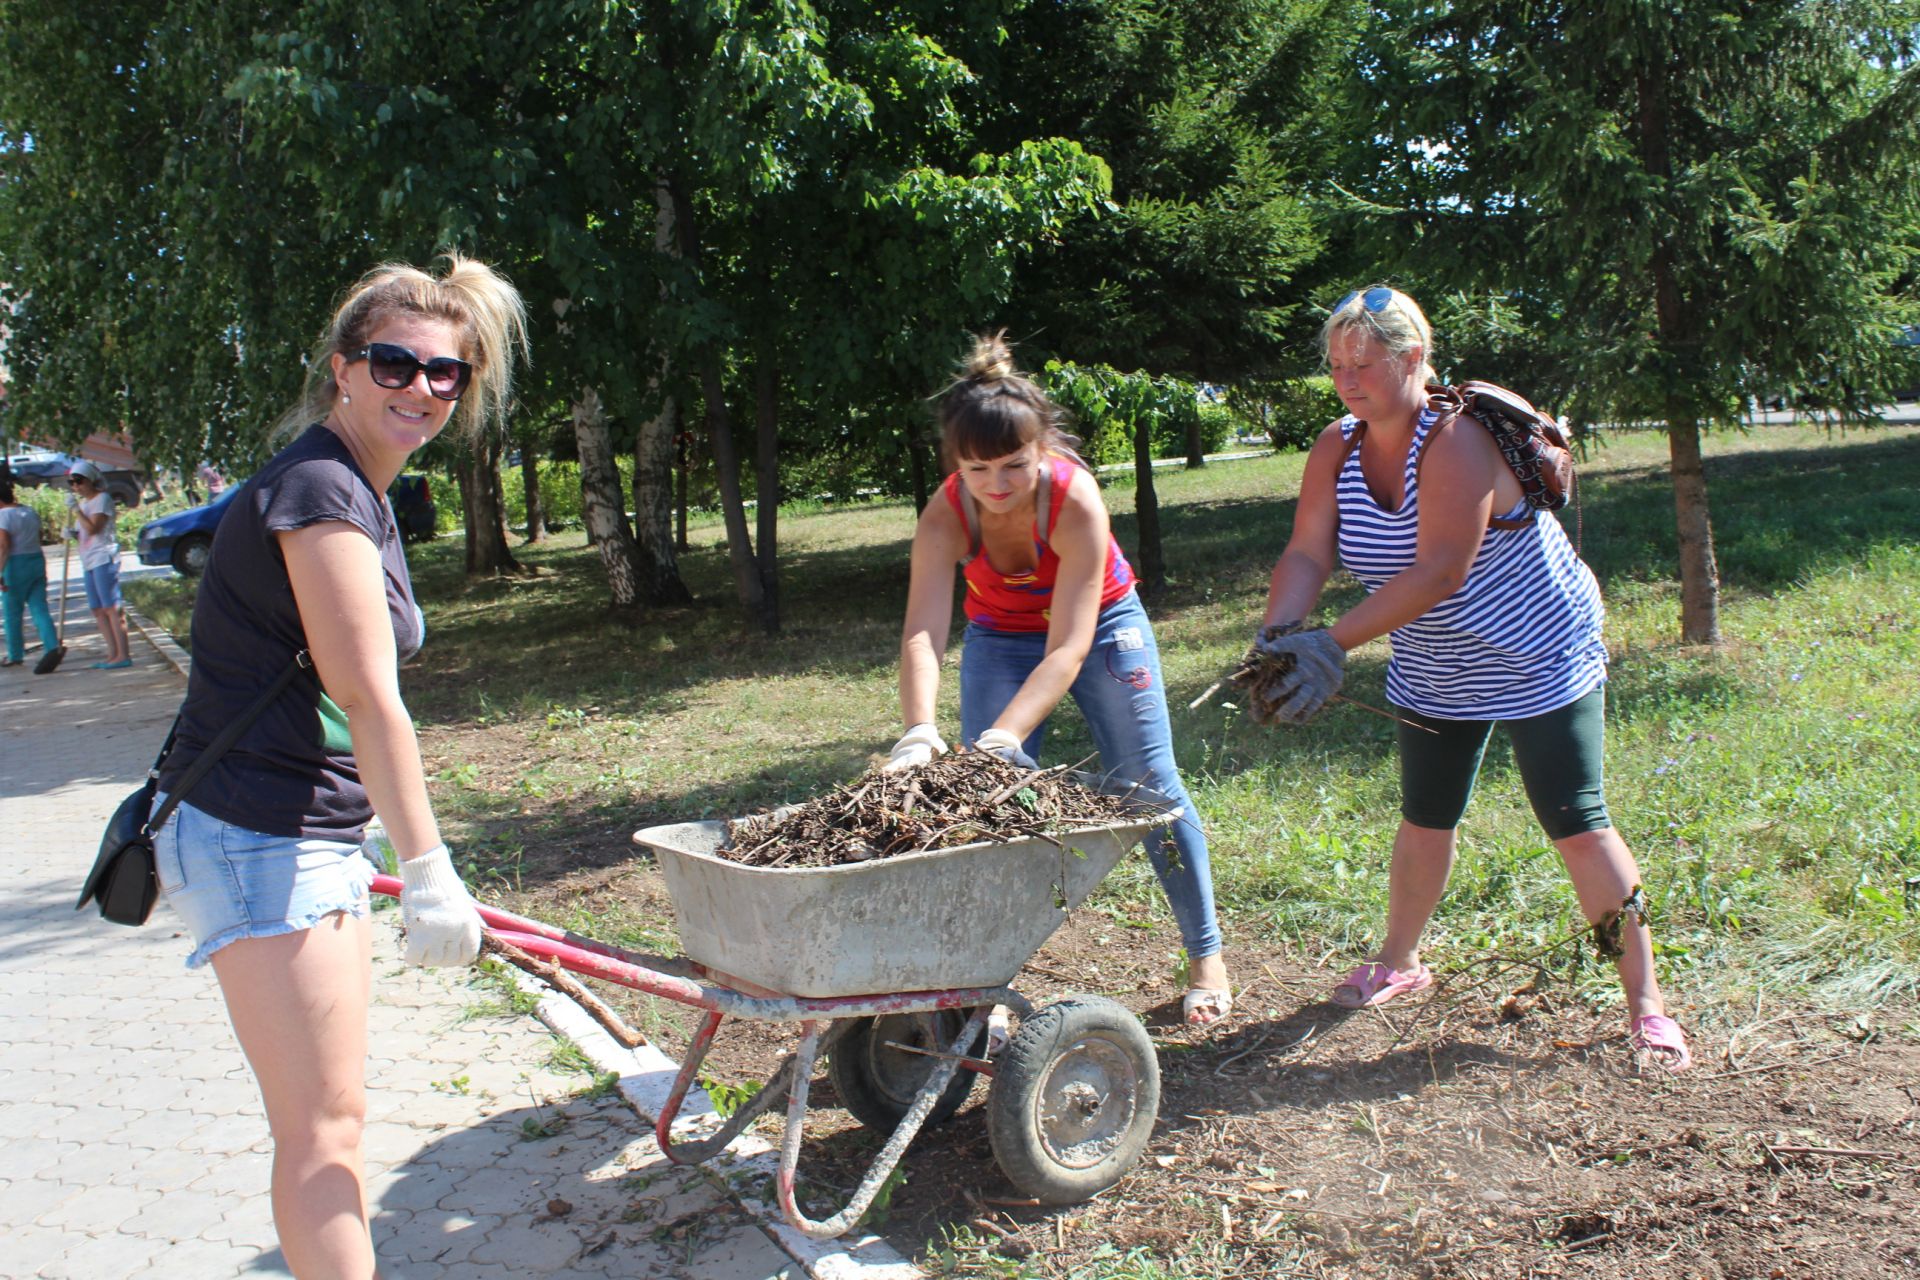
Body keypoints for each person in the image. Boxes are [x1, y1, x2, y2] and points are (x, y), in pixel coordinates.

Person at [150, 254, 528, 1275]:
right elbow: (366, 694)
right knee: (324, 1130)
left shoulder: (353, 483)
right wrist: (430, 865)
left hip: (284, 826)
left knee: (332, 1118)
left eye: (444, 373)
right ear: (344, 368)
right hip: (255, 833)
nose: (420, 388)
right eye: (395, 363)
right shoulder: (322, 486)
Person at [1251, 285, 1690, 1071]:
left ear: (1413, 359)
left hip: (1538, 651)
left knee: (1577, 821)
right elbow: (1309, 551)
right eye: (1336, 364)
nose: (1348, 379)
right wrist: (1283, 634)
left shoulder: (1452, 441)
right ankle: (1400, 963)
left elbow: (1442, 570)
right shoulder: (1337, 446)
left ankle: (1646, 1007)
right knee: (1427, 815)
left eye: (1366, 362)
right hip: (1434, 659)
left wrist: (1334, 643)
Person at [888, 333, 1232, 1026]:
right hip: (1001, 632)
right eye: (978, 469)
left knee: (1148, 786)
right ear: (956, 464)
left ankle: (1207, 957)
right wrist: (919, 729)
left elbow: (1070, 647)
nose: (999, 485)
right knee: (984, 803)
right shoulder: (946, 511)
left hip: (1101, 625)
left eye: (1015, 465)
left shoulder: (1074, 501)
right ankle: (984, 986)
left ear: (1044, 449)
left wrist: (1003, 737)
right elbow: (923, 630)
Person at [67, 459, 133, 669]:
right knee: (97, 609)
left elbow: (95, 529)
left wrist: (76, 511)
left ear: (91, 481)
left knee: (111, 607)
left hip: (103, 557)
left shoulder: (102, 499)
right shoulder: (85, 504)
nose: (76, 486)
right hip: (88, 560)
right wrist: (72, 533)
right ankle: (111, 653)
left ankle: (123, 655)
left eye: (80, 481)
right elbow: (84, 533)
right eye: (72, 483)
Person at [0, 477, 59, 667]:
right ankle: (52, 646)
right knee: (39, 608)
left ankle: (15, 654)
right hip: (36, 560)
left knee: (13, 613)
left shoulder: (3, 516)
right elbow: (39, 535)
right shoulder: (29, 511)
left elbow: (4, 545)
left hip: (15, 565)